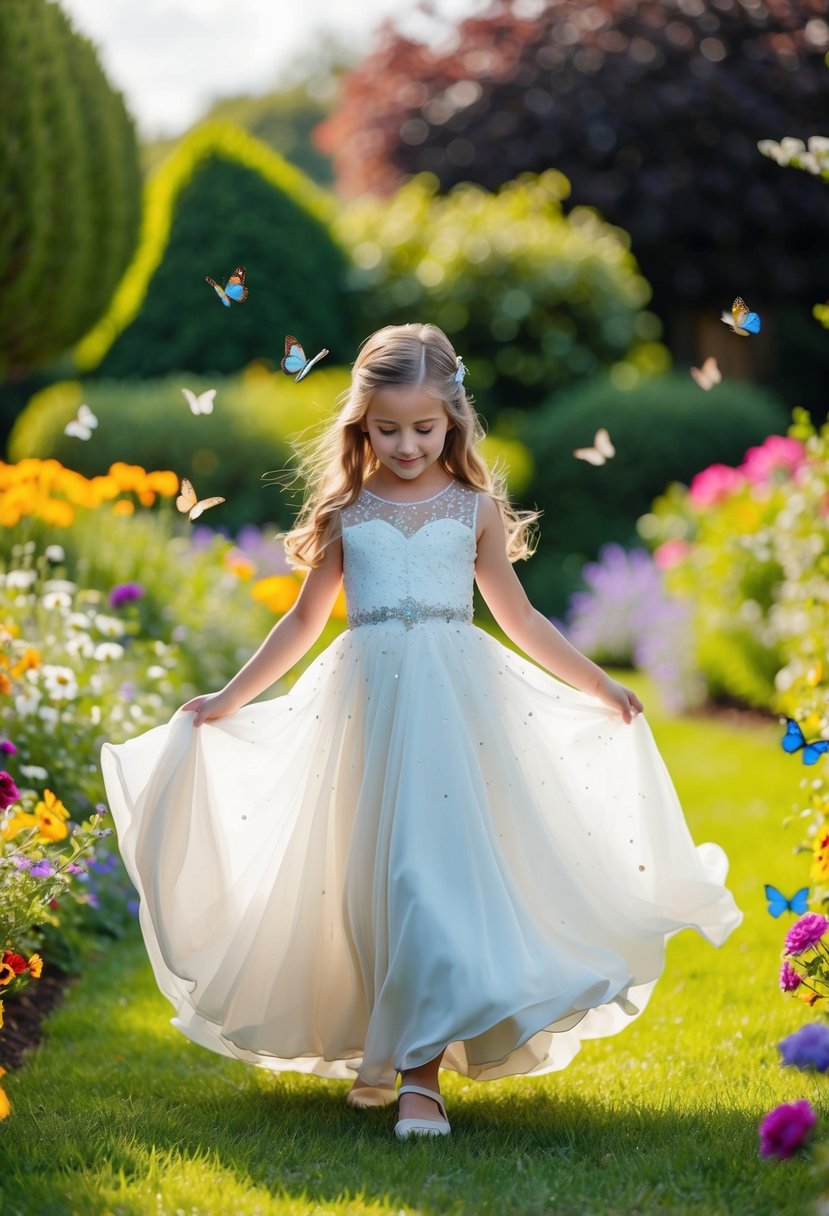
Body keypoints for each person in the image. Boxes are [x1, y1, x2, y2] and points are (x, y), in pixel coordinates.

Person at [101, 323, 741, 1140]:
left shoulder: (473, 508)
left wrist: (598, 682)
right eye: (386, 428)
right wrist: (226, 698)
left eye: (423, 427)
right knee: (366, 882)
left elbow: (519, 616)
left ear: (454, 421)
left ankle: (419, 1082)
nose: (406, 445)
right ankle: (390, 1048)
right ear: (360, 426)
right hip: (364, 713)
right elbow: (303, 622)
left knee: (422, 878)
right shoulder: (347, 511)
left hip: (454, 714)